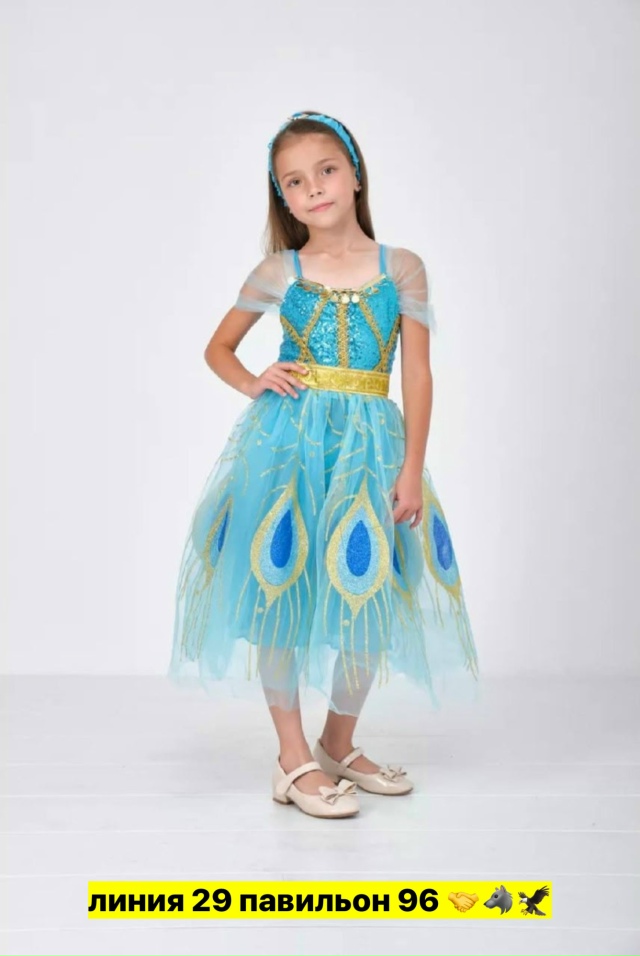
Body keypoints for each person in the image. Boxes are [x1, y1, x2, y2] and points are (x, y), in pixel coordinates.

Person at [168, 110, 480, 819]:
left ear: (356, 175)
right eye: (294, 181)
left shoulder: (402, 267)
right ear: (282, 197)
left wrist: (412, 467)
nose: (313, 188)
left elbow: (418, 375)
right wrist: (254, 381)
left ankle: (337, 741)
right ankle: (291, 757)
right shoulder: (281, 271)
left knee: (367, 589)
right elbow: (218, 348)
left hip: (371, 448)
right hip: (287, 447)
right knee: (281, 588)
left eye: (326, 170)